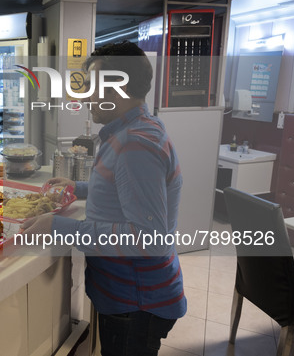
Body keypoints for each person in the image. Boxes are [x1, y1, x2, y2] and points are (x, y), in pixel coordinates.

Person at [21, 42, 186, 355]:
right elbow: (126, 191)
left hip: (136, 302)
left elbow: (148, 239)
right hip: (129, 296)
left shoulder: (136, 145)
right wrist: (79, 187)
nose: (85, 98)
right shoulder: (136, 130)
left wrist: (56, 225)